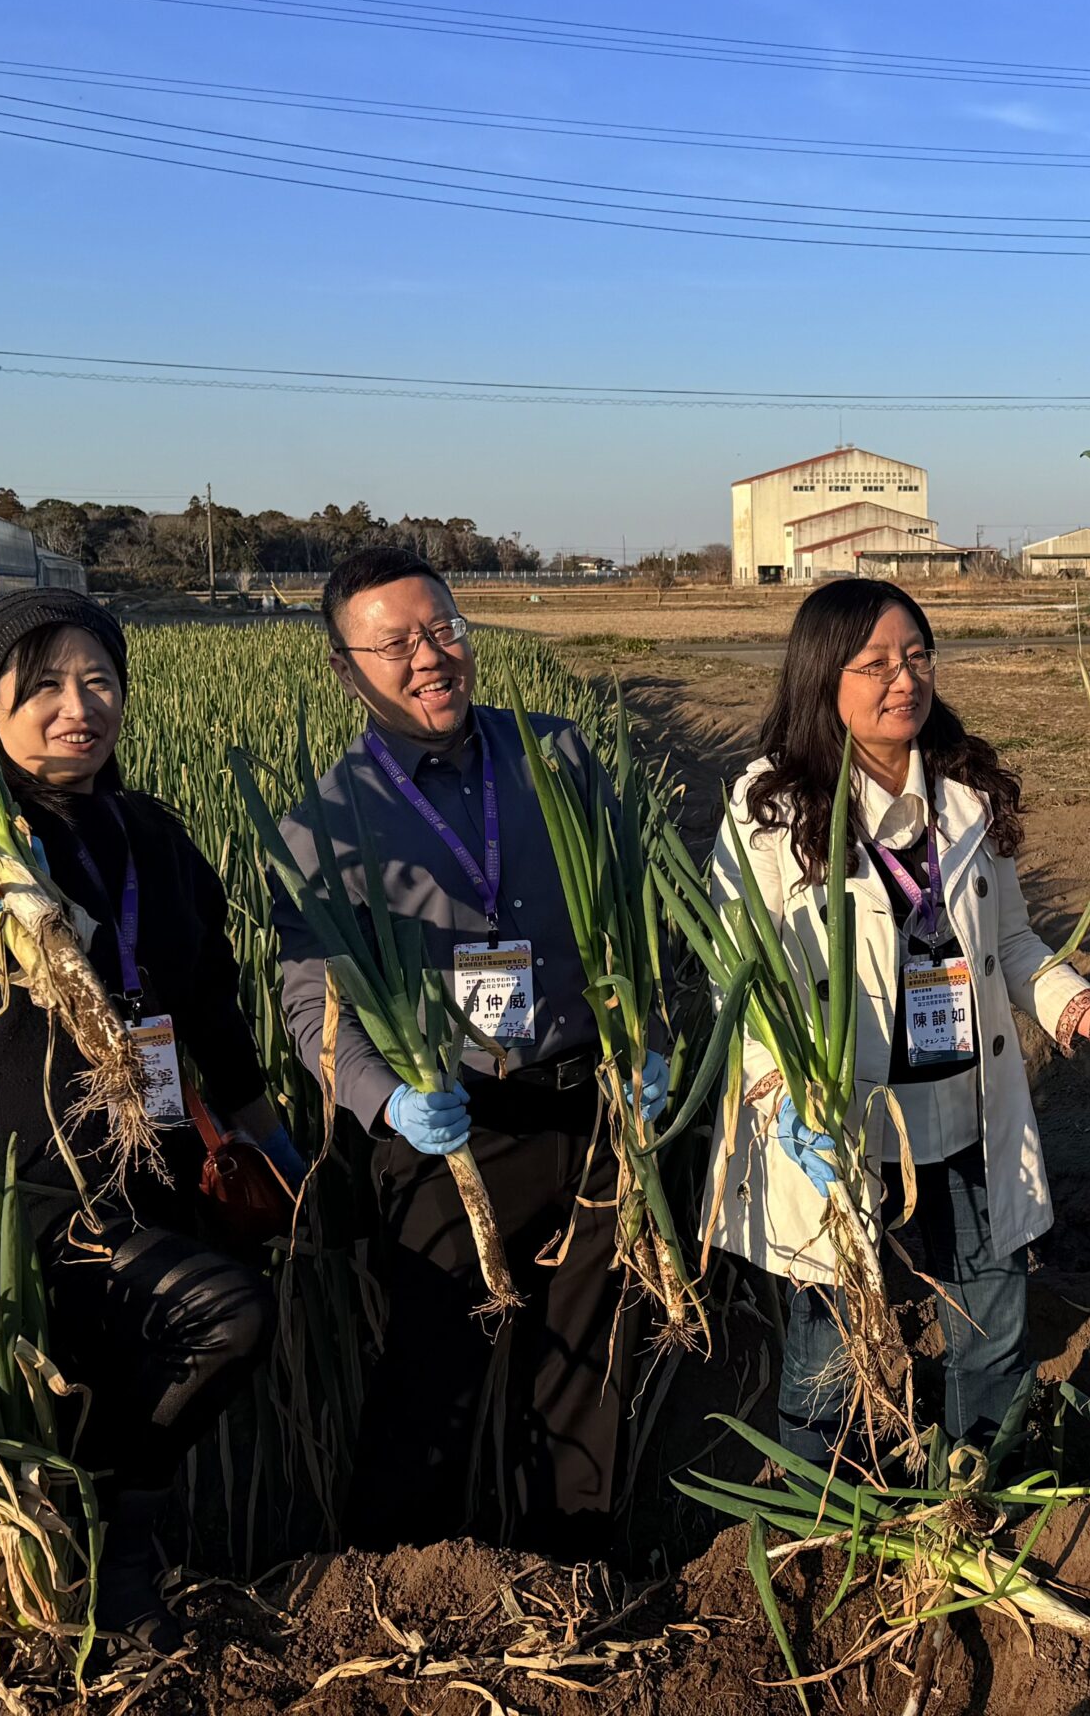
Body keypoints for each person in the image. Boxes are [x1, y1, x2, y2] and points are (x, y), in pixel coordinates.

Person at [706, 578, 1090, 1466]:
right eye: (875, 662)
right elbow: (739, 972)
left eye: (916, 656)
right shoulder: (767, 808)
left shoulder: (965, 792)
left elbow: (1014, 944)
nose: (902, 678)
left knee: (992, 1310)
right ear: (821, 677)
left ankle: (974, 1480)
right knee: (835, 1334)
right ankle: (822, 1502)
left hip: (962, 1104)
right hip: (836, 1116)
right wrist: (781, 1089)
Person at [0, 588, 295, 1643]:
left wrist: (276, 1145)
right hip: (32, 1186)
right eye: (41, 687)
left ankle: (127, 1553)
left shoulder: (153, 835)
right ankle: (116, 1548)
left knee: (236, 1302)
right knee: (224, 1313)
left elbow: (212, 1008)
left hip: (158, 1166)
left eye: (99, 680)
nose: (79, 705)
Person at [272, 546, 664, 1558]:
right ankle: (401, 1588)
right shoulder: (322, 824)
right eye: (394, 643)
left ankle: (570, 1571)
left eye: (443, 629)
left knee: (588, 1362)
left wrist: (651, 1040)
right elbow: (307, 992)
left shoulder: (558, 756)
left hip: (588, 1107)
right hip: (452, 1130)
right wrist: (381, 1100)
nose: (430, 656)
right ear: (344, 667)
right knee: (433, 1373)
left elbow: (634, 919)